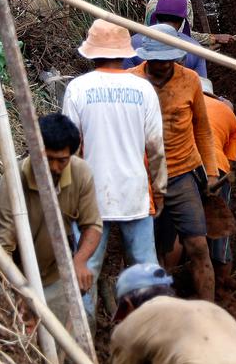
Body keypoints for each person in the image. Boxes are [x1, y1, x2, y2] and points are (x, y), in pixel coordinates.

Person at [61, 20, 165, 318]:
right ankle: (153, 336)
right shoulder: (143, 89)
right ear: (124, 52)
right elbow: (156, 147)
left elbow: (70, 150)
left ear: (91, 54)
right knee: (146, 269)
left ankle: (84, 342)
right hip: (135, 193)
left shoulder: (78, 89)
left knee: (85, 269)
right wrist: (159, 191)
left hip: (90, 198)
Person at [129, 24, 222, 303]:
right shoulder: (131, 81)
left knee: (197, 245)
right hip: (143, 177)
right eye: (155, 60)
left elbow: (203, 129)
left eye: (166, 60)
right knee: (146, 248)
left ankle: (207, 312)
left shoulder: (190, 81)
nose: (160, 66)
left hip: (182, 174)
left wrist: (213, 171)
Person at [0, 114, 102, 325]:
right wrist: (18, 291)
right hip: (16, 279)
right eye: (47, 159)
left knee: (57, 347)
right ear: (34, 151)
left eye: (62, 160)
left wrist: (80, 260)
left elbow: (92, 225)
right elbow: (1, 247)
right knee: (21, 344)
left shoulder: (81, 173)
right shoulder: (12, 181)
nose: (54, 168)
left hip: (55, 277)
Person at [199, 78, 236, 282]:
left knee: (179, 226)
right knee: (219, 228)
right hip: (217, 168)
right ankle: (223, 286)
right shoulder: (227, 113)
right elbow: (230, 159)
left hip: (183, 166)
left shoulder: (180, 104)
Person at [126, 0, 208, 77]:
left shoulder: (131, 44)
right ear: (182, 20)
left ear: (156, 16)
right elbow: (203, 88)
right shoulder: (195, 49)